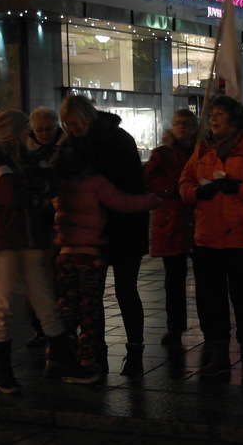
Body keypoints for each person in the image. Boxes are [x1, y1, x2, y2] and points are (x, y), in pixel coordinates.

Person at [178, 95, 243, 382]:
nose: (213, 119)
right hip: (207, 235)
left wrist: (239, 187)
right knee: (214, 298)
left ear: (234, 119)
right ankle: (219, 353)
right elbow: (183, 185)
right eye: (212, 114)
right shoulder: (202, 150)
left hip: (240, 236)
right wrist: (198, 192)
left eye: (219, 114)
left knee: (241, 296)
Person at [51, 149, 161, 384]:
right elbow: (124, 202)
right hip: (90, 256)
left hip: (65, 255)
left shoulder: (57, 185)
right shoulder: (95, 182)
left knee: (66, 307)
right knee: (90, 309)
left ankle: (59, 357)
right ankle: (87, 360)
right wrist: (154, 200)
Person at [59, 94, 149, 376]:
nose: (73, 129)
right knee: (90, 296)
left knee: (125, 289)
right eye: (68, 124)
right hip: (91, 231)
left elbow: (131, 185)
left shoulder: (118, 140)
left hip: (124, 228)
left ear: (88, 117)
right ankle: (96, 351)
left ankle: (134, 351)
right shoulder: (70, 144)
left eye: (76, 123)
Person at [0, 109, 69, 394]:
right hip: (6, 240)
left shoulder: (30, 155)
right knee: (4, 305)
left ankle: (65, 361)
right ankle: (3, 373)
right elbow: (9, 194)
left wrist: (29, 188)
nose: (29, 134)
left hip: (31, 239)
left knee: (45, 301)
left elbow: (51, 183)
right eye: (25, 129)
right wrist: (35, 195)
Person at [143, 109, 199, 347]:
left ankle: (209, 328)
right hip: (172, 222)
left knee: (205, 280)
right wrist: (176, 188)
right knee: (174, 281)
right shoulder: (162, 154)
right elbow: (149, 179)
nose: (182, 127)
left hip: (197, 221)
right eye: (178, 123)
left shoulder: (200, 152)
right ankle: (175, 327)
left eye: (187, 123)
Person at [22, 106, 64, 348]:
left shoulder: (65, 149)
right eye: (39, 129)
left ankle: (61, 326)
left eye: (48, 129)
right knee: (37, 277)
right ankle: (40, 327)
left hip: (60, 220)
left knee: (57, 277)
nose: (44, 133)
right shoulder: (27, 150)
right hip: (37, 220)